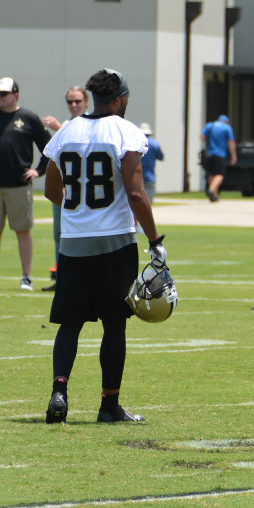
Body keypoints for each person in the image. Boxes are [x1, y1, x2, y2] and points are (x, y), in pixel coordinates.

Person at [42, 68, 167, 424]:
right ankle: (109, 406)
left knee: (70, 324)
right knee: (114, 324)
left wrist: (79, 214)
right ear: (118, 99)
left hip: (73, 244)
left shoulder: (68, 129)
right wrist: (155, 240)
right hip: (115, 243)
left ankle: (59, 392)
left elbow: (52, 190)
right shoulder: (125, 131)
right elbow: (135, 192)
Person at [0, 77, 52, 291]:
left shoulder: (28, 117)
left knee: (22, 231)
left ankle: (26, 277)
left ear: (16, 95)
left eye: (4, 94)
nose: (1, 98)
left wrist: (38, 171)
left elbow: (49, 147)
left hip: (18, 186)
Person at [40, 85, 90, 291]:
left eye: (78, 101)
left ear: (86, 102)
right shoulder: (69, 123)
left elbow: (83, 146)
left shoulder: (90, 123)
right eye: (70, 101)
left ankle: (82, 279)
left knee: (83, 235)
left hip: (82, 193)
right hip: (63, 190)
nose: (74, 105)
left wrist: (59, 129)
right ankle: (62, 278)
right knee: (60, 235)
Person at [200, 115, 237, 201]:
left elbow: (202, 137)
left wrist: (209, 143)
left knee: (211, 173)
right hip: (220, 154)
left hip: (209, 154)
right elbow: (231, 142)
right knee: (220, 174)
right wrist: (233, 155)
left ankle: (214, 195)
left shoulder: (209, 125)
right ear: (226, 121)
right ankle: (211, 189)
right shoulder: (227, 128)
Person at [138, 123, 164, 203]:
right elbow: (161, 157)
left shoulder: (135, 143)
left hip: (136, 176)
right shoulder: (154, 143)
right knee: (148, 203)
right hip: (149, 176)